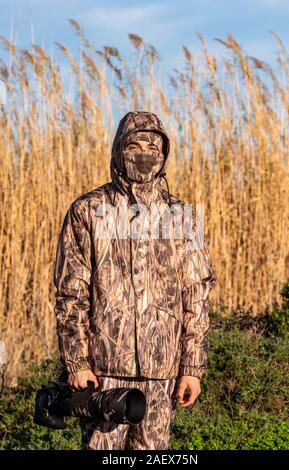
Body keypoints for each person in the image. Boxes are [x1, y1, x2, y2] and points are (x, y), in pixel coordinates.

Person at [53, 111, 216, 450]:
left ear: (163, 156)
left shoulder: (182, 218)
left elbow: (197, 297)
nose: (143, 154)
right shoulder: (88, 211)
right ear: (118, 150)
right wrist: (78, 363)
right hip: (104, 372)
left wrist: (192, 368)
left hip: (164, 374)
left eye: (152, 148)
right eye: (133, 145)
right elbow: (71, 294)